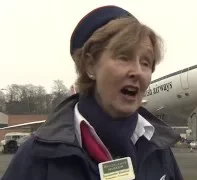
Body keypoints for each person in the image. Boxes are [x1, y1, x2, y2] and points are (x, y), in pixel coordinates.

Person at [1, 5, 184, 180]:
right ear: (90, 65)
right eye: (123, 57)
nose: (137, 71)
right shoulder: (39, 154)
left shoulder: (158, 149)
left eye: (146, 63)